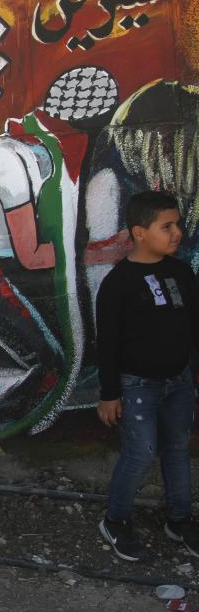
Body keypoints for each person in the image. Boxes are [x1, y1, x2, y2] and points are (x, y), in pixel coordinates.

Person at [95, 190, 199, 562]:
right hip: (136, 385)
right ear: (139, 233)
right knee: (141, 453)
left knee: (177, 449)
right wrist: (109, 394)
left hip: (179, 383)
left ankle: (179, 519)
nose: (177, 233)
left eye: (178, 225)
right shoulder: (118, 284)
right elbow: (106, 342)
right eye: (166, 226)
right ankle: (116, 520)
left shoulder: (181, 272)